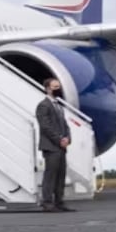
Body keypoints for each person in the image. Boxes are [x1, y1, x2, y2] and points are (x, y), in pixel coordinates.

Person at [35, 77, 75, 212]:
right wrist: (59, 140)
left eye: (59, 86)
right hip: (51, 146)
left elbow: (65, 125)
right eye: (55, 87)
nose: (58, 89)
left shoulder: (58, 105)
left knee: (60, 175)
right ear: (47, 88)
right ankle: (47, 203)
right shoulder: (43, 105)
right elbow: (45, 127)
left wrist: (68, 138)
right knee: (50, 176)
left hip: (61, 146)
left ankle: (59, 202)